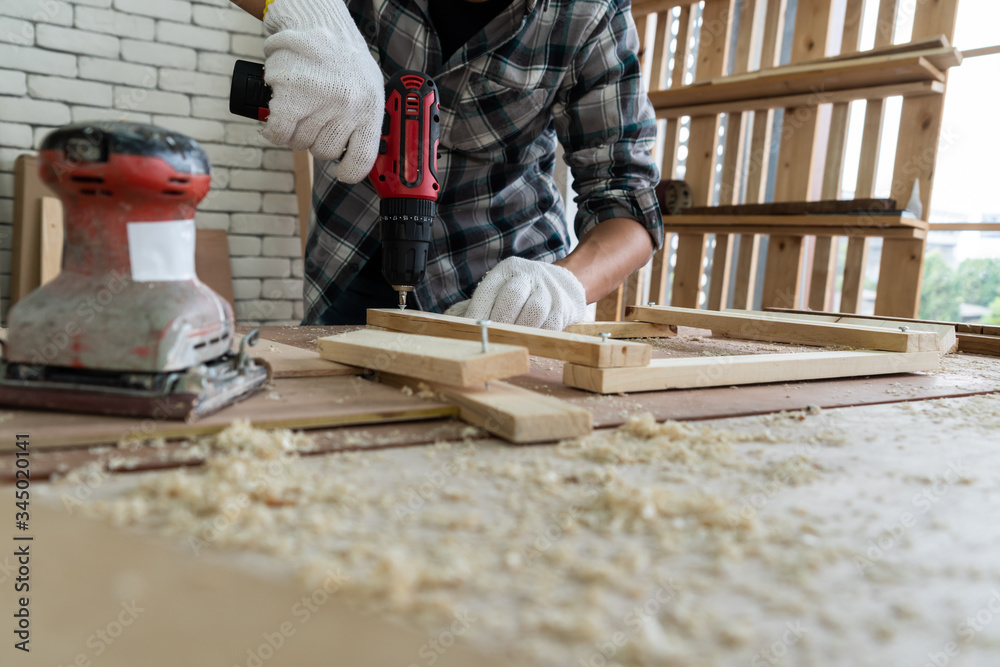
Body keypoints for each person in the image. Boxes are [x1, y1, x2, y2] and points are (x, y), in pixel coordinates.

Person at [230, 0, 662, 330]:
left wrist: (562, 286)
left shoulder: (590, 12)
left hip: (501, 292)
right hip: (346, 263)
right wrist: (307, 10)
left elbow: (628, 203)